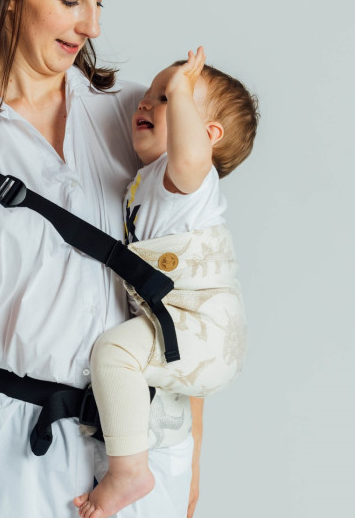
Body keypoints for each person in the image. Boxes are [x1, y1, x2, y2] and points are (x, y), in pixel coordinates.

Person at [0, 0, 203, 516]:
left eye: (100, 1)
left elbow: (187, 290)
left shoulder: (137, 120)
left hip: (140, 452)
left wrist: (190, 466)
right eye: (71, 0)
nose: (92, 26)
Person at [73, 49, 260, 518]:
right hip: (187, 326)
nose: (147, 102)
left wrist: (178, 90)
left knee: (114, 353)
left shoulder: (188, 181)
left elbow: (191, 155)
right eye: (155, 94)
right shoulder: (148, 180)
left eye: (168, 99)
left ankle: (129, 471)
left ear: (208, 136)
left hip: (205, 326)